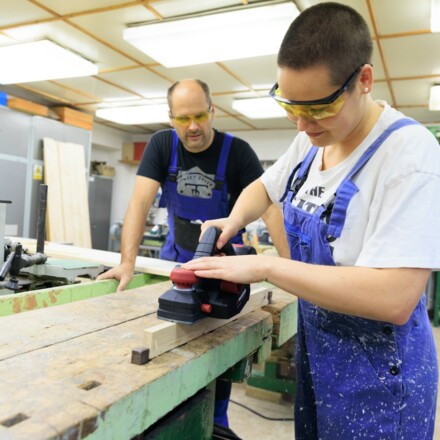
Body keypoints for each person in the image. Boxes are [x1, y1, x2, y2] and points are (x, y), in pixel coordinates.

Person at [181, 3, 440, 439]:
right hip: (319, 358)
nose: (302, 125)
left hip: (380, 381)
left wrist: (267, 266)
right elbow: (264, 188)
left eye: (318, 108)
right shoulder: (311, 141)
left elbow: (395, 297)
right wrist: (233, 220)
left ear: (363, 80)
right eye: (290, 106)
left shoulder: (409, 156)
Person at [98, 78, 289, 429]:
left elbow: (270, 210)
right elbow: (139, 203)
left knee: (216, 351)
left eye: (200, 115)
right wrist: (127, 263)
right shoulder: (161, 145)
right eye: (183, 119)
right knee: (164, 346)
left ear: (212, 111)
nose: (193, 126)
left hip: (222, 268)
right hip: (176, 262)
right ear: (171, 118)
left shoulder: (238, 152)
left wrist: (291, 270)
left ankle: (214, 422)